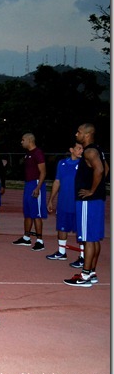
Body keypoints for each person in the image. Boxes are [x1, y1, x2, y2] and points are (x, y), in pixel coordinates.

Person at [64, 123, 109, 287]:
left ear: (87, 134)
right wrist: (97, 189)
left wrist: (91, 190)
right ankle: (91, 272)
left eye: (79, 132)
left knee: (89, 239)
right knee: (95, 238)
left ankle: (84, 275)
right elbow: (106, 168)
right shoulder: (97, 150)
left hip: (88, 202)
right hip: (96, 200)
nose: (76, 134)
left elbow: (99, 170)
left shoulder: (89, 151)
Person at [46, 143, 84, 262]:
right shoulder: (62, 163)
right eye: (79, 148)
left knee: (80, 229)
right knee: (61, 227)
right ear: (71, 150)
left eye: (82, 148)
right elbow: (57, 181)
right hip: (63, 202)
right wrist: (51, 199)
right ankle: (62, 252)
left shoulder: (84, 164)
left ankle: (83, 256)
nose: (81, 151)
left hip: (78, 203)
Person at [12, 133, 47, 251]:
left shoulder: (38, 153)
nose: (21, 142)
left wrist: (38, 188)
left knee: (36, 214)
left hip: (35, 184)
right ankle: (26, 237)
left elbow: (43, 172)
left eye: (23, 140)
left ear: (29, 140)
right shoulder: (28, 154)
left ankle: (40, 241)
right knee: (27, 212)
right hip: (28, 184)